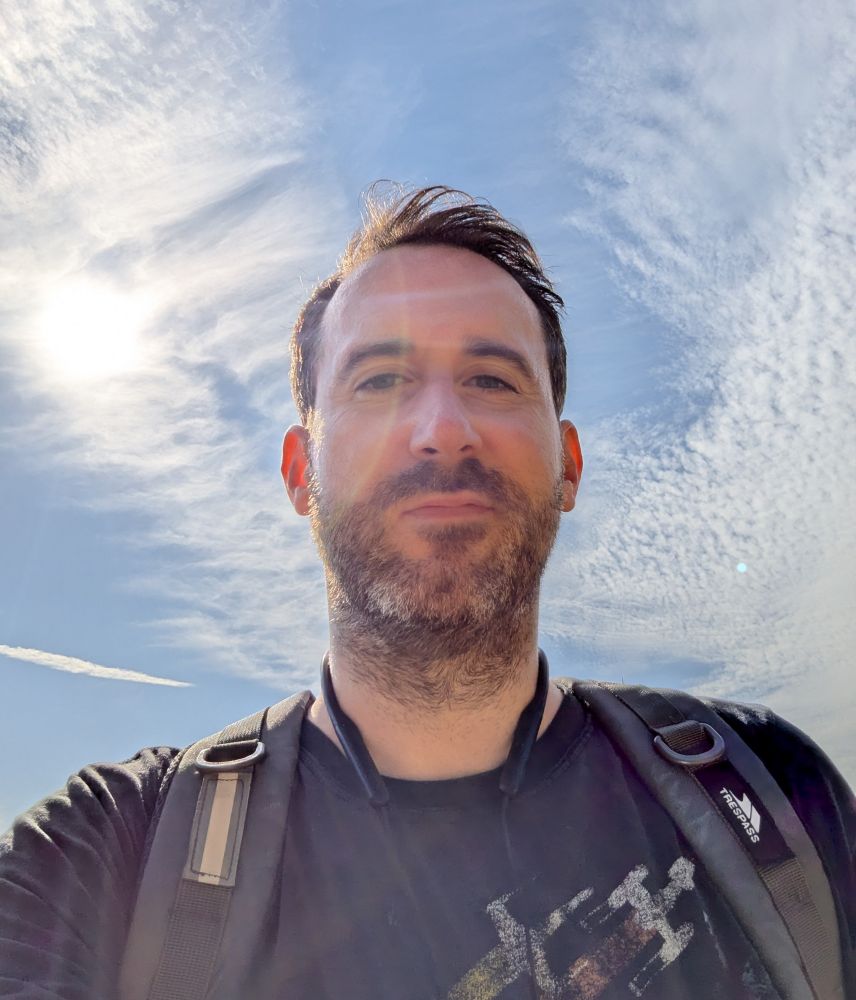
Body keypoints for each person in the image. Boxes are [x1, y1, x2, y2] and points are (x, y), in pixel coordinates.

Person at [1, 185, 853, 1000]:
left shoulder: (771, 797)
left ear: (569, 467)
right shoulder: (108, 857)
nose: (443, 429)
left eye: (493, 379)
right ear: (302, 472)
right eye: (378, 381)